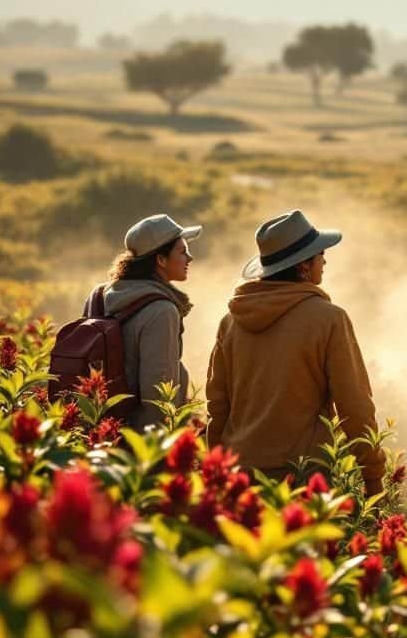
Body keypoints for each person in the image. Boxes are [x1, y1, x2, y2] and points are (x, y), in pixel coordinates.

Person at [206, 209, 384, 492]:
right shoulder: (328, 319)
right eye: (319, 254)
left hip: (239, 474)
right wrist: (373, 476)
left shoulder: (231, 321)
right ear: (303, 267)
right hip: (302, 477)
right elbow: (354, 405)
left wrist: (215, 471)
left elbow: (218, 406)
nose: (324, 260)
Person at [83, 213, 201, 430]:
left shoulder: (99, 295)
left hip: (97, 426)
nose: (190, 258)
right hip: (138, 440)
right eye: (183, 251)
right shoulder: (162, 310)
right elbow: (157, 395)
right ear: (161, 260)